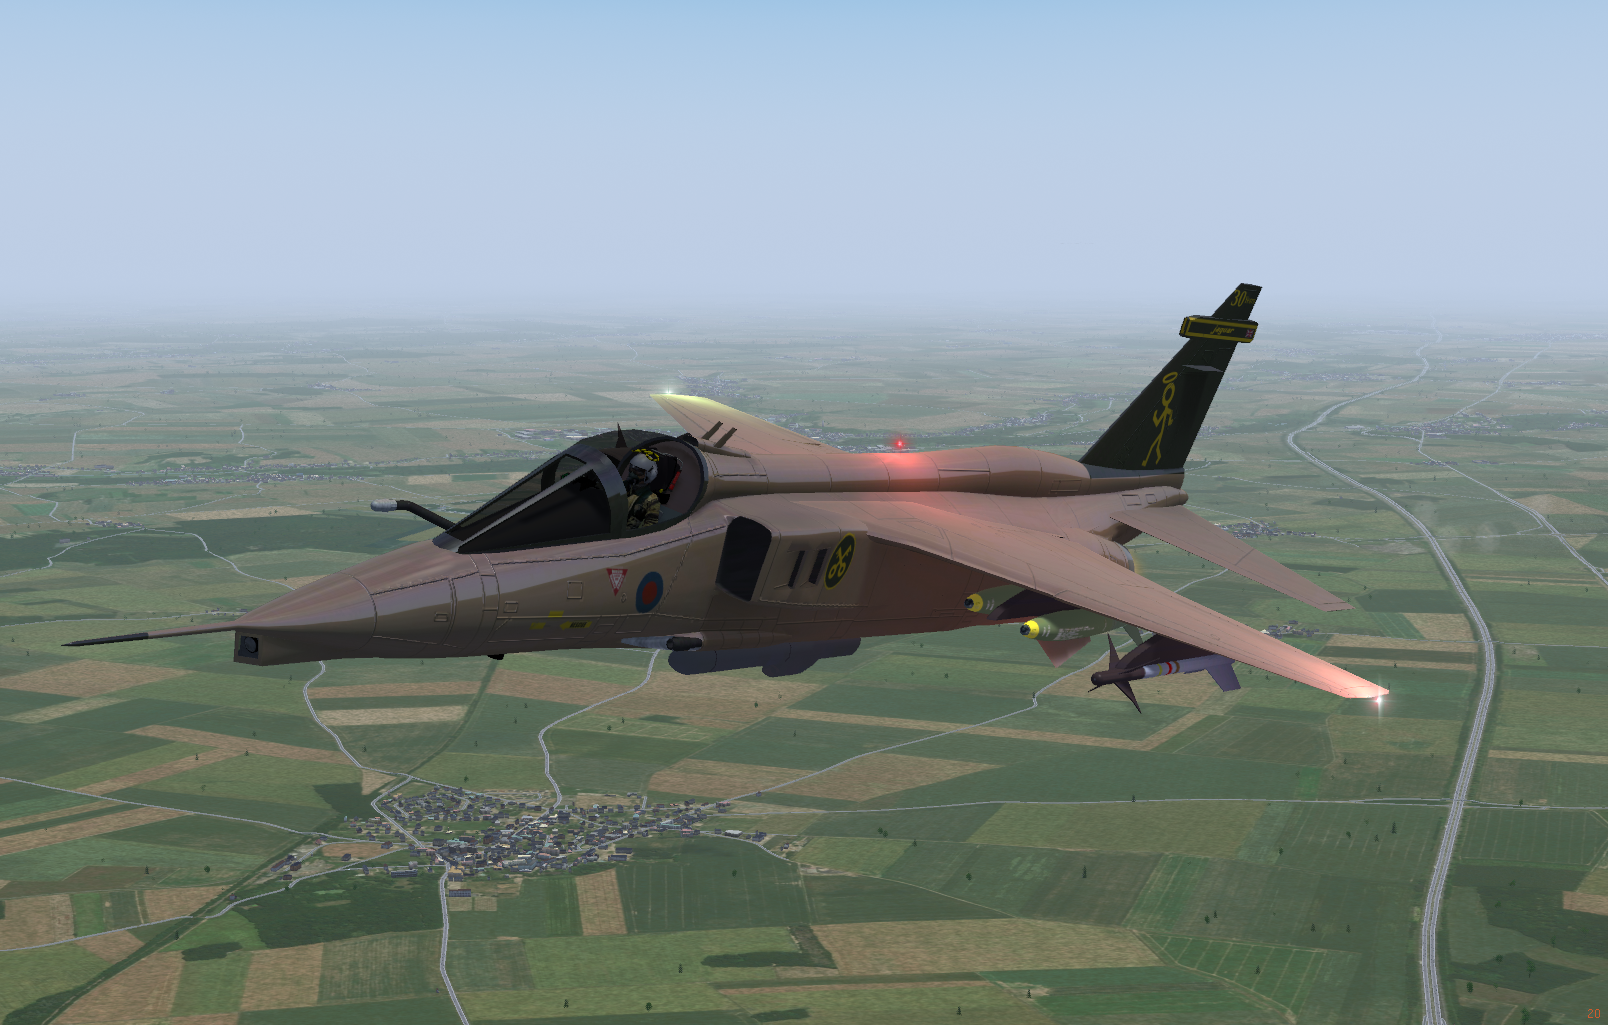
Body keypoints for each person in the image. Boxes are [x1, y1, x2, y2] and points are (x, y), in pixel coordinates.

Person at [623, 451, 661, 530]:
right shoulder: (622, 485)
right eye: (632, 468)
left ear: (648, 475)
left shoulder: (651, 499)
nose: (633, 473)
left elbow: (650, 525)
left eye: (638, 471)